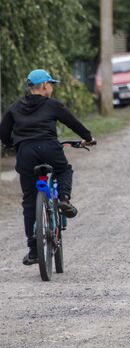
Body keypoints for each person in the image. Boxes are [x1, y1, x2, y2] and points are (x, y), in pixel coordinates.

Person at [0, 69, 96, 265]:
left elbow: (3, 133)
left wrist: (13, 143)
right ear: (44, 86)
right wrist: (88, 138)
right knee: (63, 170)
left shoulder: (15, 107)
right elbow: (73, 123)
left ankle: (34, 251)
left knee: (29, 200)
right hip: (49, 148)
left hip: (25, 153)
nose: (51, 88)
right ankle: (64, 199)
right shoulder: (52, 105)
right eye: (50, 84)